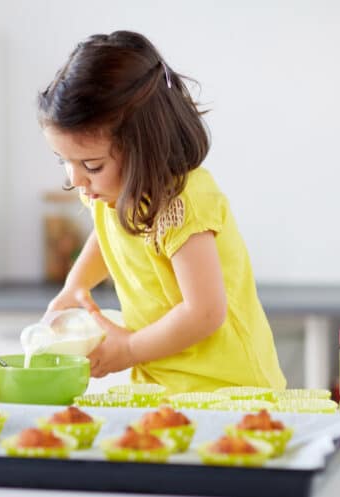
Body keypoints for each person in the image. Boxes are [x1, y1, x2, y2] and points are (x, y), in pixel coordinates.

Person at [37, 30, 286, 393]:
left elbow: (204, 312)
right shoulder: (109, 190)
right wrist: (75, 288)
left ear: (143, 147)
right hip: (161, 387)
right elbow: (108, 235)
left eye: (90, 165)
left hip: (230, 391)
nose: (76, 179)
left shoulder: (183, 203)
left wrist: (129, 349)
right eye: (64, 161)